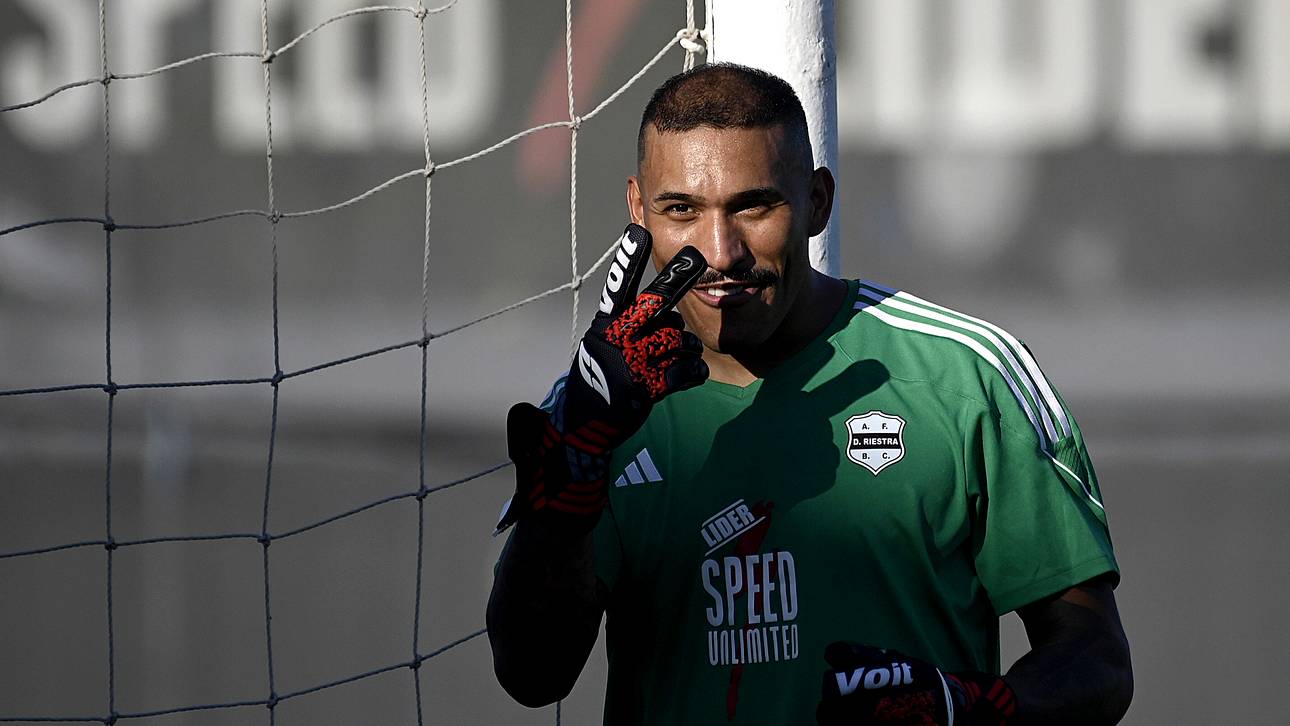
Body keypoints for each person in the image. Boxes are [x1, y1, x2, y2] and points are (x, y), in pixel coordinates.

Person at [487, 63, 1132, 725]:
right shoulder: (593, 409)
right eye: (681, 209)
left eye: (753, 205)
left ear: (818, 201)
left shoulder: (968, 375)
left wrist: (970, 711)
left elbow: (1097, 662)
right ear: (637, 208)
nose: (720, 250)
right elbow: (533, 674)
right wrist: (573, 474)